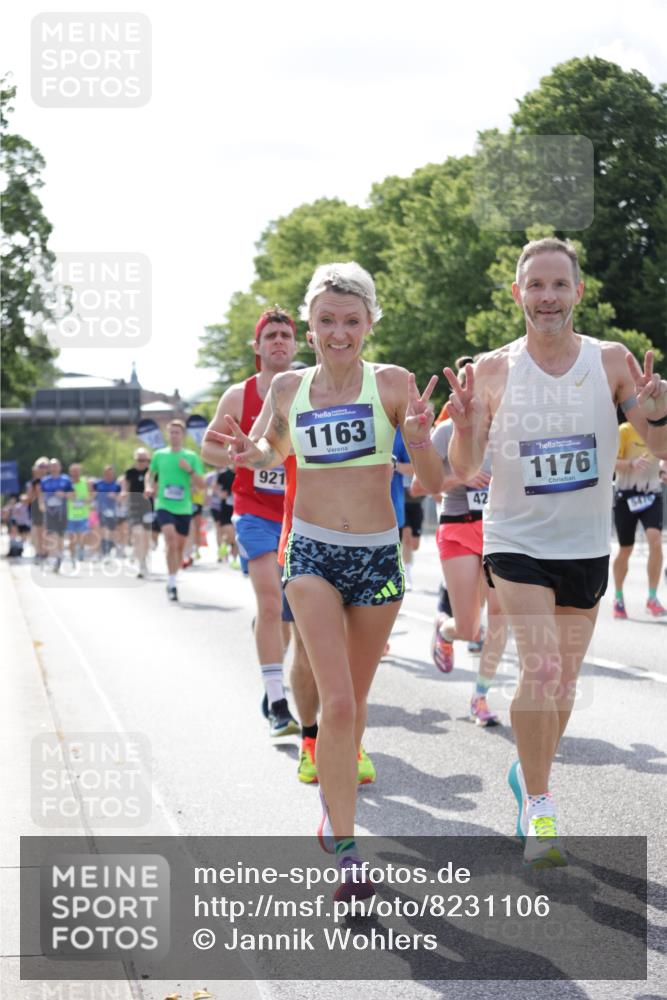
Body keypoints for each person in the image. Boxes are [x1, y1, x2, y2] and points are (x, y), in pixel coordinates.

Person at [219, 262, 443, 901]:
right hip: (312, 553)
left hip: (377, 560)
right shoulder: (288, 388)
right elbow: (269, 450)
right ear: (310, 325)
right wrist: (250, 452)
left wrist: (423, 440)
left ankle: (335, 796)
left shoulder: (395, 385)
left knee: (358, 707)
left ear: (370, 322)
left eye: (351, 320)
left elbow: (432, 477)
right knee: (337, 702)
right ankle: (347, 853)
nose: (338, 332)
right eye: (326, 321)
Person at [445, 237, 667, 868]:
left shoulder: (613, 361)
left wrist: (659, 411)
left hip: (584, 544)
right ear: (517, 294)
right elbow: (462, 468)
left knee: (563, 682)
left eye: (558, 285)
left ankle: (526, 770)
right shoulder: (492, 370)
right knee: (540, 669)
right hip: (515, 539)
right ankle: (539, 804)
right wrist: (464, 428)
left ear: (578, 292)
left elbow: (659, 443)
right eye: (535, 286)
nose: (547, 297)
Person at [202, 309, 300, 737]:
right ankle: (279, 703)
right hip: (254, 512)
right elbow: (207, 446)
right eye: (271, 336)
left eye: (286, 335)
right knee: (269, 601)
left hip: (299, 515)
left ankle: (271, 676)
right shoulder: (238, 396)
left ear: (296, 344)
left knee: (291, 619)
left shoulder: (309, 386)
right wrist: (235, 455)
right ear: (257, 347)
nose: (279, 342)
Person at [418, 395, 507, 725]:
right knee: (470, 628)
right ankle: (446, 629)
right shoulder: (445, 432)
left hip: (501, 531)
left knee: (499, 616)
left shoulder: (509, 433)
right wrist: (461, 477)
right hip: (458, 526)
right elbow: (420, 485)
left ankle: (480, 697)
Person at [147, 419, 205, 601]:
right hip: (163, 504)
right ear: (167, 435)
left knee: (179, 548)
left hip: (184, 507)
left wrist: (189, 471)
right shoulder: (159, 455)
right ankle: (171, 582)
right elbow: (150, 474)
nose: (173, 435)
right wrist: (148, 486)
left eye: (177, 432)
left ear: (183, 435)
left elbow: (202, 485)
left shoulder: (191, 457)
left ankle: (173, 573)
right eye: (171, 432)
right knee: (170, 540)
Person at [612, 421, 666, 617]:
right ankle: (618, 596)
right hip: (626, 496)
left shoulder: (662, 428)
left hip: (652, 494)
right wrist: (630, 464)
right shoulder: (625, 430)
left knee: (656, 542)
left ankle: (652, 598)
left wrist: (663, 470)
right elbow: (609, 461)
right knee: (626, 549)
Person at [123, 449, 153, 578]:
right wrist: (123, 493)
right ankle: (141, 564)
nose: (141, 462)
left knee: (146, 536)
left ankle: (144, 558)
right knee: (137, 533)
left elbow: (156, 487)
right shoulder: (130, 472)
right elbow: (125, 486)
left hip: (148, 507)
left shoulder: (151, 473)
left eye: (144, 460)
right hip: (134, 506)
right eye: (139, 460)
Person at [40, 459, 73, 571]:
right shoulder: (45, 481)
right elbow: (41, 495)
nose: (54, 468)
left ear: (60, 467)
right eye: (52, 466)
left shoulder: (66, 480)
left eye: (56, 466)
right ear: (49, 468)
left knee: (60, 535)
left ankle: (59, 555)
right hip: (49, 512)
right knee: (50, 534)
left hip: (61, 512)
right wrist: (41, 504)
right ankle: (54, 556)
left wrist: (63, 494)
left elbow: (73, 495)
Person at [92, 466, 121, 559]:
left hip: (112, 511)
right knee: (101, 530)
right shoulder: (98, 484)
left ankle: (109, 549)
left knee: (111, 531)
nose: (108, 475)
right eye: (106, 473)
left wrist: (115, 497)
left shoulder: (116, 485)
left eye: (110, 473)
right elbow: (92, 494)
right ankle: (101, 550)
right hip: (100, 511)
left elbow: (120, 498)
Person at [66, 464, 91, 563]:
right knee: (71, 537)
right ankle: (72, 557)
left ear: (80, 472)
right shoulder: (67, 483)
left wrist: (83, 500)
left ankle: (81, 549)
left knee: (81, 536)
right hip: (70, 515)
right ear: (70, 472)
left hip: (83, 515)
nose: (75, 473)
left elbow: (91, 497)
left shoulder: (85, 483)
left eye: (77, 471)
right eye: (73, 471)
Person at [26, 457, 49, 561]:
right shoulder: (34, 482)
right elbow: (29, 498)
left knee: (46, 531)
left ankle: (45, 551)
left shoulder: (50, 480)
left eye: (45, 466)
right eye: (41, 466)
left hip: (50, 508)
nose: (43, 469)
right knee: (38, 531)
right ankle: (39, 552)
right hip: (36, 508)